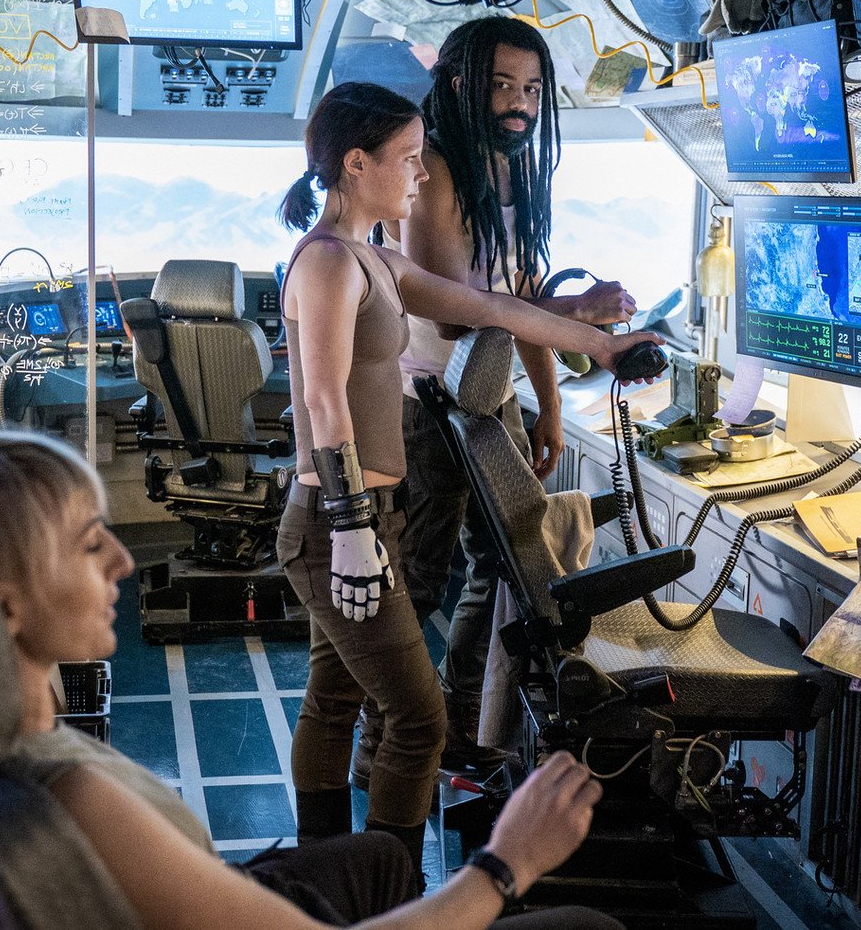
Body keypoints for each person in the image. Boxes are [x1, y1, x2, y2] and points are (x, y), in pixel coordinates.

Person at [0, 429, 624, 930]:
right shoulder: (74, 796)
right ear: (4, 607)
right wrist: (507, 862)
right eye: (91, 545)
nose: (123, 561)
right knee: (591, 926)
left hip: (215, 886)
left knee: (383, 859)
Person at [275, 81, 661, 885]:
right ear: (357, 163)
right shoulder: (327, 263)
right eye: (409, 159)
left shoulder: (377, 260)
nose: (422, 176)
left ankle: (323, 879)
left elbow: (491, 309)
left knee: (334, 698)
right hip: (335, 520)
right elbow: (321, 400)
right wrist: (350, 528)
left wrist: (602, 346)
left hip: (369, 513)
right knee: (417, 718)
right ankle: (389, 890)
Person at [387, 16, 643, 772]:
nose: (519, 103)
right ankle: (387, 734)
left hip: (492, 396)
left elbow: (522, 297)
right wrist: (582, 313)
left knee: (501, 564)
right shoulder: (434, 174)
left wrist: (549, 409)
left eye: (531, 89)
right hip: (430, 401)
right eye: (502, 85)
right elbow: (454, 311)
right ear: (460, 85)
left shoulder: (516, 171)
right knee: (422, 577)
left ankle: (461, 723)